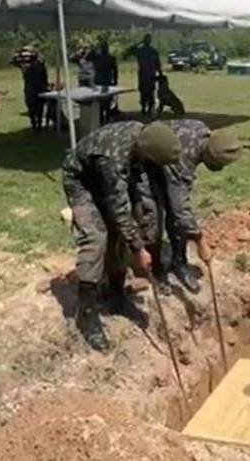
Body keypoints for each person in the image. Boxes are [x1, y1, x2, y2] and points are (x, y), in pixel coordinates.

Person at [61, 121, 182, 351]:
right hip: (81, 181)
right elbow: (117, 209)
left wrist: (142, 225)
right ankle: (86, 315)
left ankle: (116, 295)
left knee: (123, 229)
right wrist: (139, 249)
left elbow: (134, 193)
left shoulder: (143, 137)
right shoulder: (112, 159)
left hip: (108, 178)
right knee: (96, 238)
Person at [145, 120, 243, 294]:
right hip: (145, 164)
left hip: (167, 165)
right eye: (218, 164)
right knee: (153, 217)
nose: (220, 169)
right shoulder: (183, 156)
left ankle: (179, 262)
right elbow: (180, 209)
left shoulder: (203, 132)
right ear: (209, 156)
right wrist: (200, 241)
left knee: (177, 217)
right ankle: (156, 269)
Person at [11, 44, 51, 132]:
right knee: (31, 108)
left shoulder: (39, 64)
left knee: (39, 108)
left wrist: (32, 51)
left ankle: (39, 126)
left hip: (39, 88)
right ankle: (34, 125)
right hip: (30, 89)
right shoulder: (25, 65)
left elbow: (41, 59)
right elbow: (13, 61)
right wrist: (20, 52)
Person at [123, 34, 162, 116]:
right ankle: (144, 108)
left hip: (149, 74)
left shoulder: (152, 51)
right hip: (145, 74)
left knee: (149, 92)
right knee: (144, 92)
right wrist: (138, 43)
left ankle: (148, 108)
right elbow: (127, 53)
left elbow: (157, 64)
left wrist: (160, 73)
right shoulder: (141, 50)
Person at [90, 38, 119, 124]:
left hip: (102, 81)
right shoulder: (109, 58)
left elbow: (115, 70)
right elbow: (115, 70)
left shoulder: (98, 57)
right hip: (103, 81)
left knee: (103, 101)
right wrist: (115, 80)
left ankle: (103, 118)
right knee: (106, 101)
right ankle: (105, 118)